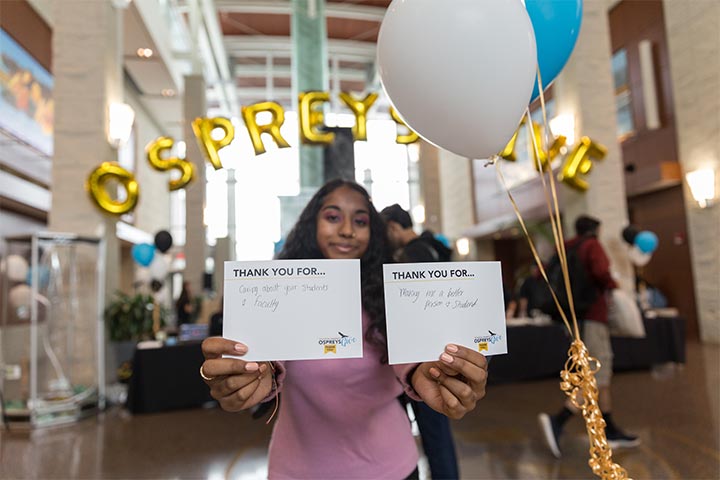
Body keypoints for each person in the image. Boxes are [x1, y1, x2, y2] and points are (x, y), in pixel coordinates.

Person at [201, 180, 489, 479]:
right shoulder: (285, 292)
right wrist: (249, 374)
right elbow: (269, 360)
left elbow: (411, 363)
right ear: (312, 224)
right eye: (333, 217)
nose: (347, 230)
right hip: (298, 468)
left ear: (373, 233)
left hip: (391, 467)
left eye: (360, 221)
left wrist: (434, 374)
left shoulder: (388, 294)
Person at [538, 215, 640, 458]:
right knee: (595, 374)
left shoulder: (567, 246)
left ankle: (609, 428)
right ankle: (559, 419)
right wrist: (615, 285)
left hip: (577, 317)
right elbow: (602, 272)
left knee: (598, 373)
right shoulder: (591, 245)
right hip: (594, 315)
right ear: (596, 229)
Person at [380, 203, 460, 480]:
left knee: (434, 436)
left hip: (421, 358)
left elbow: (409, 310)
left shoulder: (411, 256)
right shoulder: (435, 248)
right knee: (437, 436)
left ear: (392, 227)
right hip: (435, 353)